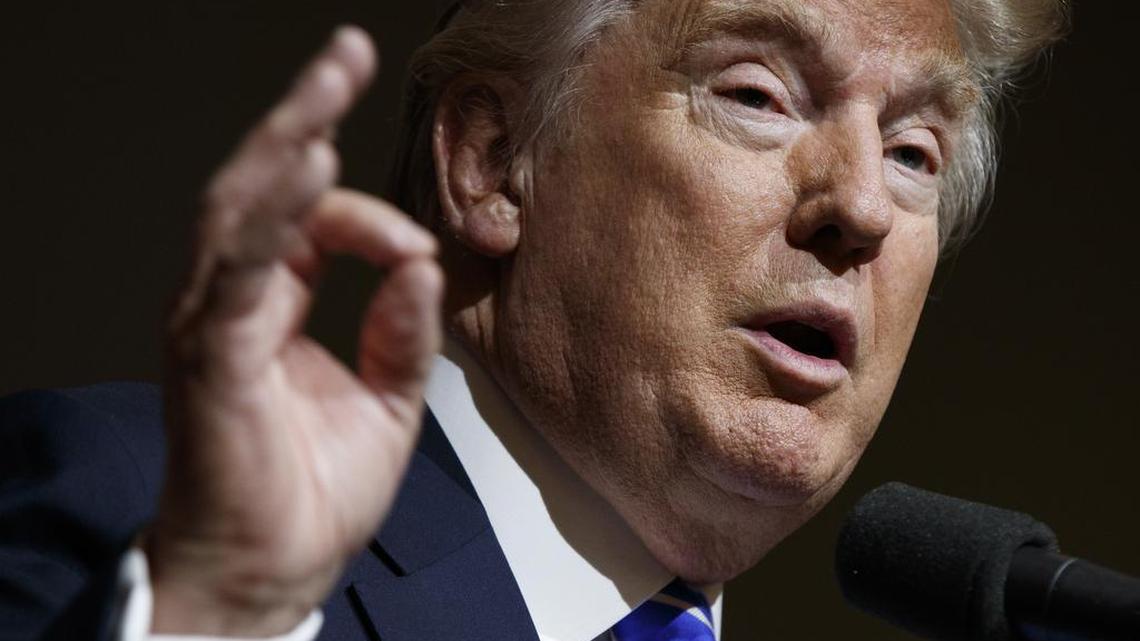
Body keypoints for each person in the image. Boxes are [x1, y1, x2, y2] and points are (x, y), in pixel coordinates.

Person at [0, 1, 1069, 640]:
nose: (865, 205)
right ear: (492, 160)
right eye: (756, 95)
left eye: (914, 153)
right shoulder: (151, 515)